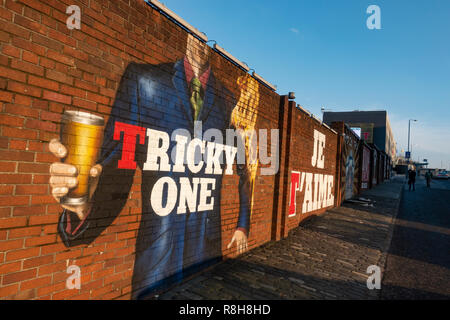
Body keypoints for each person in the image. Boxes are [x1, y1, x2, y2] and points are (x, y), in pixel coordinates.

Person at [48, 34, 257, 299]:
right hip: (156, 263)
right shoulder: (144, 80)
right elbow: (114, 171)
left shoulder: (229, 99)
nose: (200, 39)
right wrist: (84, 207)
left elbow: (245, 169)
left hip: (207, 254)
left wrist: (242, 225)